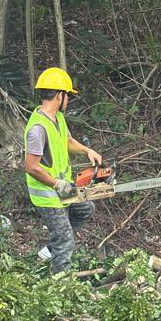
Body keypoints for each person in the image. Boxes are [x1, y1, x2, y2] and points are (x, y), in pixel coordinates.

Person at [23, 67, 102, 274]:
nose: (68, 100)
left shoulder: (58, 118)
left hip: (62, 188)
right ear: (60, 95)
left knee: (86, 209)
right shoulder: (37, 129)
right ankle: (60, 285)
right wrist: (57, 184)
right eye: (67, 96)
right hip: (48, 195)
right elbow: (31, 167)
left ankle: (51, 248)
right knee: (66, 240)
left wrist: (87, 151)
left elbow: (67, 141)